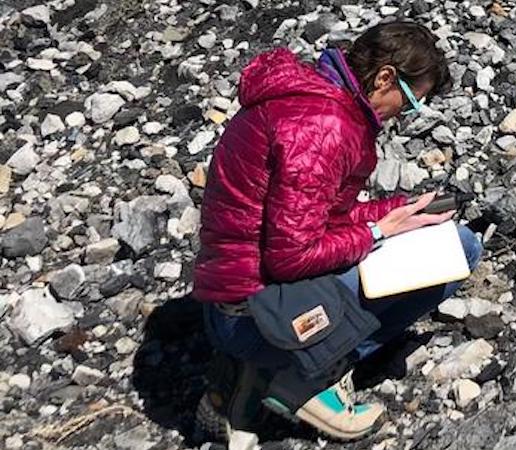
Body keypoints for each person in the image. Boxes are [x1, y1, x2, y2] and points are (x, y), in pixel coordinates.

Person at [192, 21, 483, 442]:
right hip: (257, 315)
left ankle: (253, 375)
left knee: (437, 237)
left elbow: (316, 215)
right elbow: (291, 256)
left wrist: (400, 212)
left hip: (238, 302)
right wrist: (377, 233)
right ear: (385, 78)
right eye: (411, 102)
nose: (405, 115)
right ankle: (305, 375)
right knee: (458, 249)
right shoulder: (324, 126)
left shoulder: (310, 98)